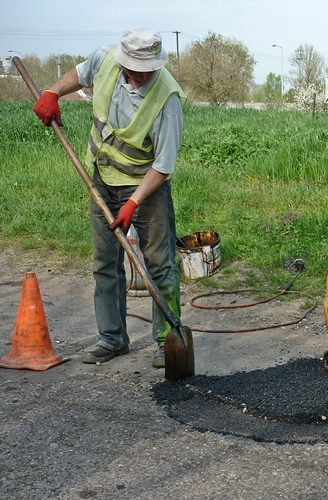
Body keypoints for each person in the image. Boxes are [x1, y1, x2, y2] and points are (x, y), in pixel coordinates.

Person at [33, 26, 186, 368]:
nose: (137, 74)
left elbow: (163, 166)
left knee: (159, 263)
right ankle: (113, 338)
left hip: (145, 189)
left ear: (155, 66)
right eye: (132, 66)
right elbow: (79, 73)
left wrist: (134, 203)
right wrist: (52, 91)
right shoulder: (107, 61)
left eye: (144, 69)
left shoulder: (167, 99)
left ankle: (169, 340)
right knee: (105, 263)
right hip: (100, 180)